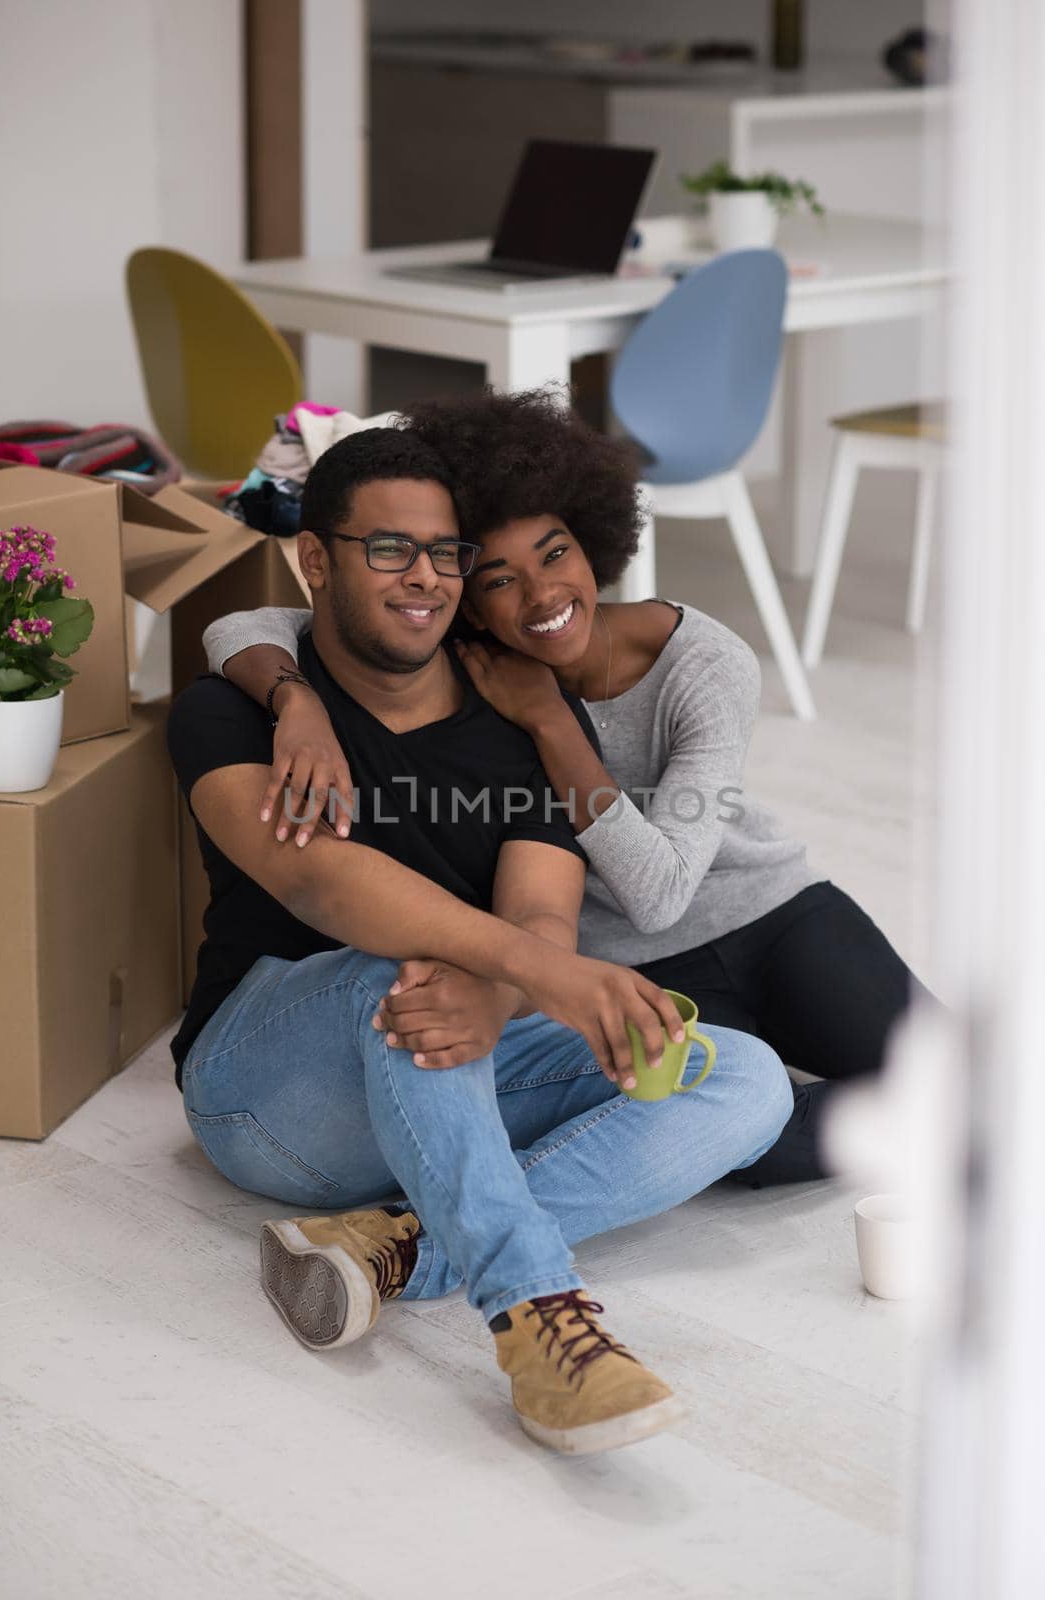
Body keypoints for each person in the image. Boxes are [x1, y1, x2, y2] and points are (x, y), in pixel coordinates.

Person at [169, 425, 792, 1457]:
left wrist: (512, 986)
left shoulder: (515, 715)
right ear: (315, 560)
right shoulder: (227, 715)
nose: (426, 577)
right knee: (406, 968)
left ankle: (399, 1245)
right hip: (267, 1092)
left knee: (747, 1078)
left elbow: (544, 908)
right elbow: (318, 878)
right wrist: (537, 973)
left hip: (449, 1056)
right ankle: (539, 1315)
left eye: (447, 553)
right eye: (390, 550)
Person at [203, 388, 928, 1189]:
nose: (543, 597)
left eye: (556, 555)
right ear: (467, 597)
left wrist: (551, 722)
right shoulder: (466, 667)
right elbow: (253, 626)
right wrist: (292, 697)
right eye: (501, 580)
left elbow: (660, 894)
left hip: (768, 909)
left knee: (954, 1086)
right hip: (604, 964)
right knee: (724, 1134)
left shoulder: (703, 663)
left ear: (592, 542)